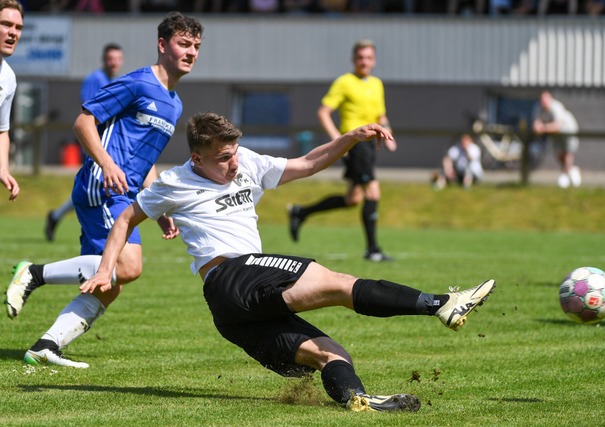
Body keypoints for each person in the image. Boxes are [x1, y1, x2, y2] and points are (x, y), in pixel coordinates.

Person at [80, 112, 496, 412]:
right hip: (232, 277)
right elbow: (125, 219)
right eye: (223, 157)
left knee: (333, 355)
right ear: (197, 159)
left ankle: (358, 400)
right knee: (336, 282)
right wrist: (105, 268)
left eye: (235, 152)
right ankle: (440, 304)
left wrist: (348, 139)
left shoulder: (248, 164)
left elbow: (307, 163)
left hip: (232, 314)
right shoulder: (174, 182)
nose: (234, 163)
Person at [5, 12, 203, 368]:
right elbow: (83, 122)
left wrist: (160, 211)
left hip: (127, 194)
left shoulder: (174, 104)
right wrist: (107, 164)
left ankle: (47, 345)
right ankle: (34, 272)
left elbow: (146, 160)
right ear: (162, 45)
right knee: (127, 266)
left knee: (109, 283)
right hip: (103, 185)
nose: (191, 52)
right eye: (183, 44)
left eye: (196, 47)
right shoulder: (137, 83)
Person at [288, 39, 396, 262]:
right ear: (353, 59)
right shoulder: (344, 82)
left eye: (368, 58)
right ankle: (373, 250)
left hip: (370, 146)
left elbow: (380, 116)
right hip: (356, 145)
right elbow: (323, 112)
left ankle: (300, 212)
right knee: (373, 192)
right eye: (360, 58)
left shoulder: (377, 84)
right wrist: (339, 140)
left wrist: (388, 133)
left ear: (374, 61)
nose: (364, 62)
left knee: (353, 199)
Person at [45, 43, 124, 241]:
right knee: (92, 185)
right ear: (104, 60)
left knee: (94, 186)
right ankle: (89, 227)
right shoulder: (95, 79)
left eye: (117, 59)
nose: (113, 62)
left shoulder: (116, 81)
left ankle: (56, 216)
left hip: (107, 143)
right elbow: (87, 114)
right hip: (95, 142)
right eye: (110, 58)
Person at [532, 91, 581, 188]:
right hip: (555, 134)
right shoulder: (538, 108)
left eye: (545, 99)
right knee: (559, 154)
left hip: (568, 131)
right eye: (542, 100)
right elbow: (536, 124)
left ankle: (564, 177)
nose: (543, 102)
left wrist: (543, 128)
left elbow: (557, 126)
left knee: (568, 153)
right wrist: (537, 127)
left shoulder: (556, 107)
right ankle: (571, 170)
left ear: (550, 99)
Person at [0, 1, 24, 202]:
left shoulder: (8, 78)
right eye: (6, 24)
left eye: (18, 27)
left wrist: (3, 169)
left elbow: (2, 130)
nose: (13, 32)